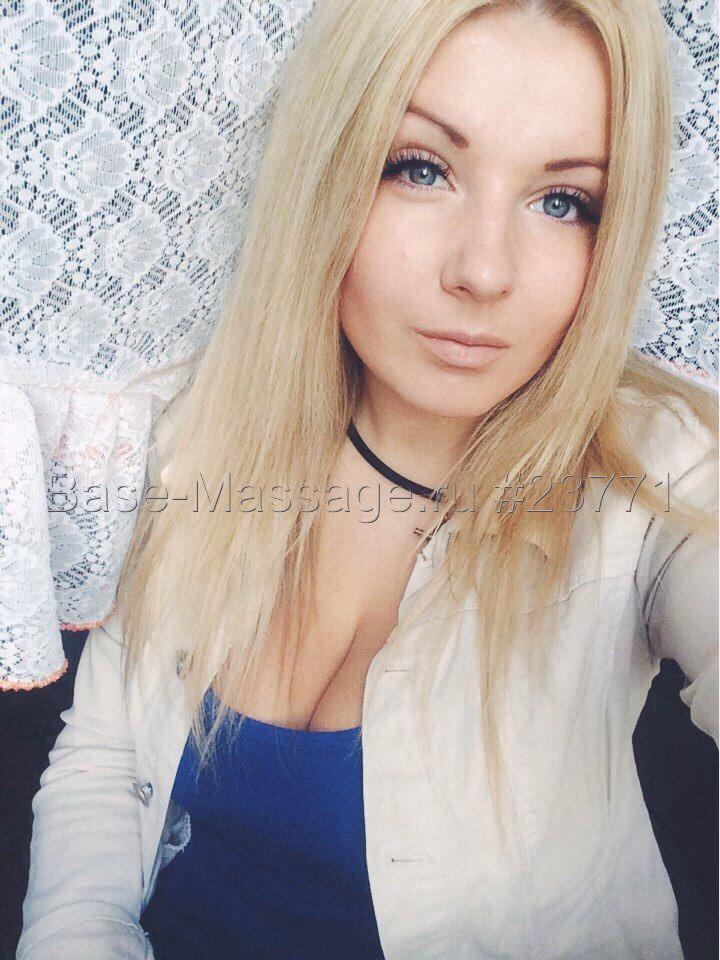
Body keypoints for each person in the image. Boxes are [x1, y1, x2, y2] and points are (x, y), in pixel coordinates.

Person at [17, 0, 718, 958]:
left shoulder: (656, 477)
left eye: (564, 201)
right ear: (329, 171)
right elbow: (105, 760)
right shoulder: (202, 429)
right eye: (420, 168)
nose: (484, 271)